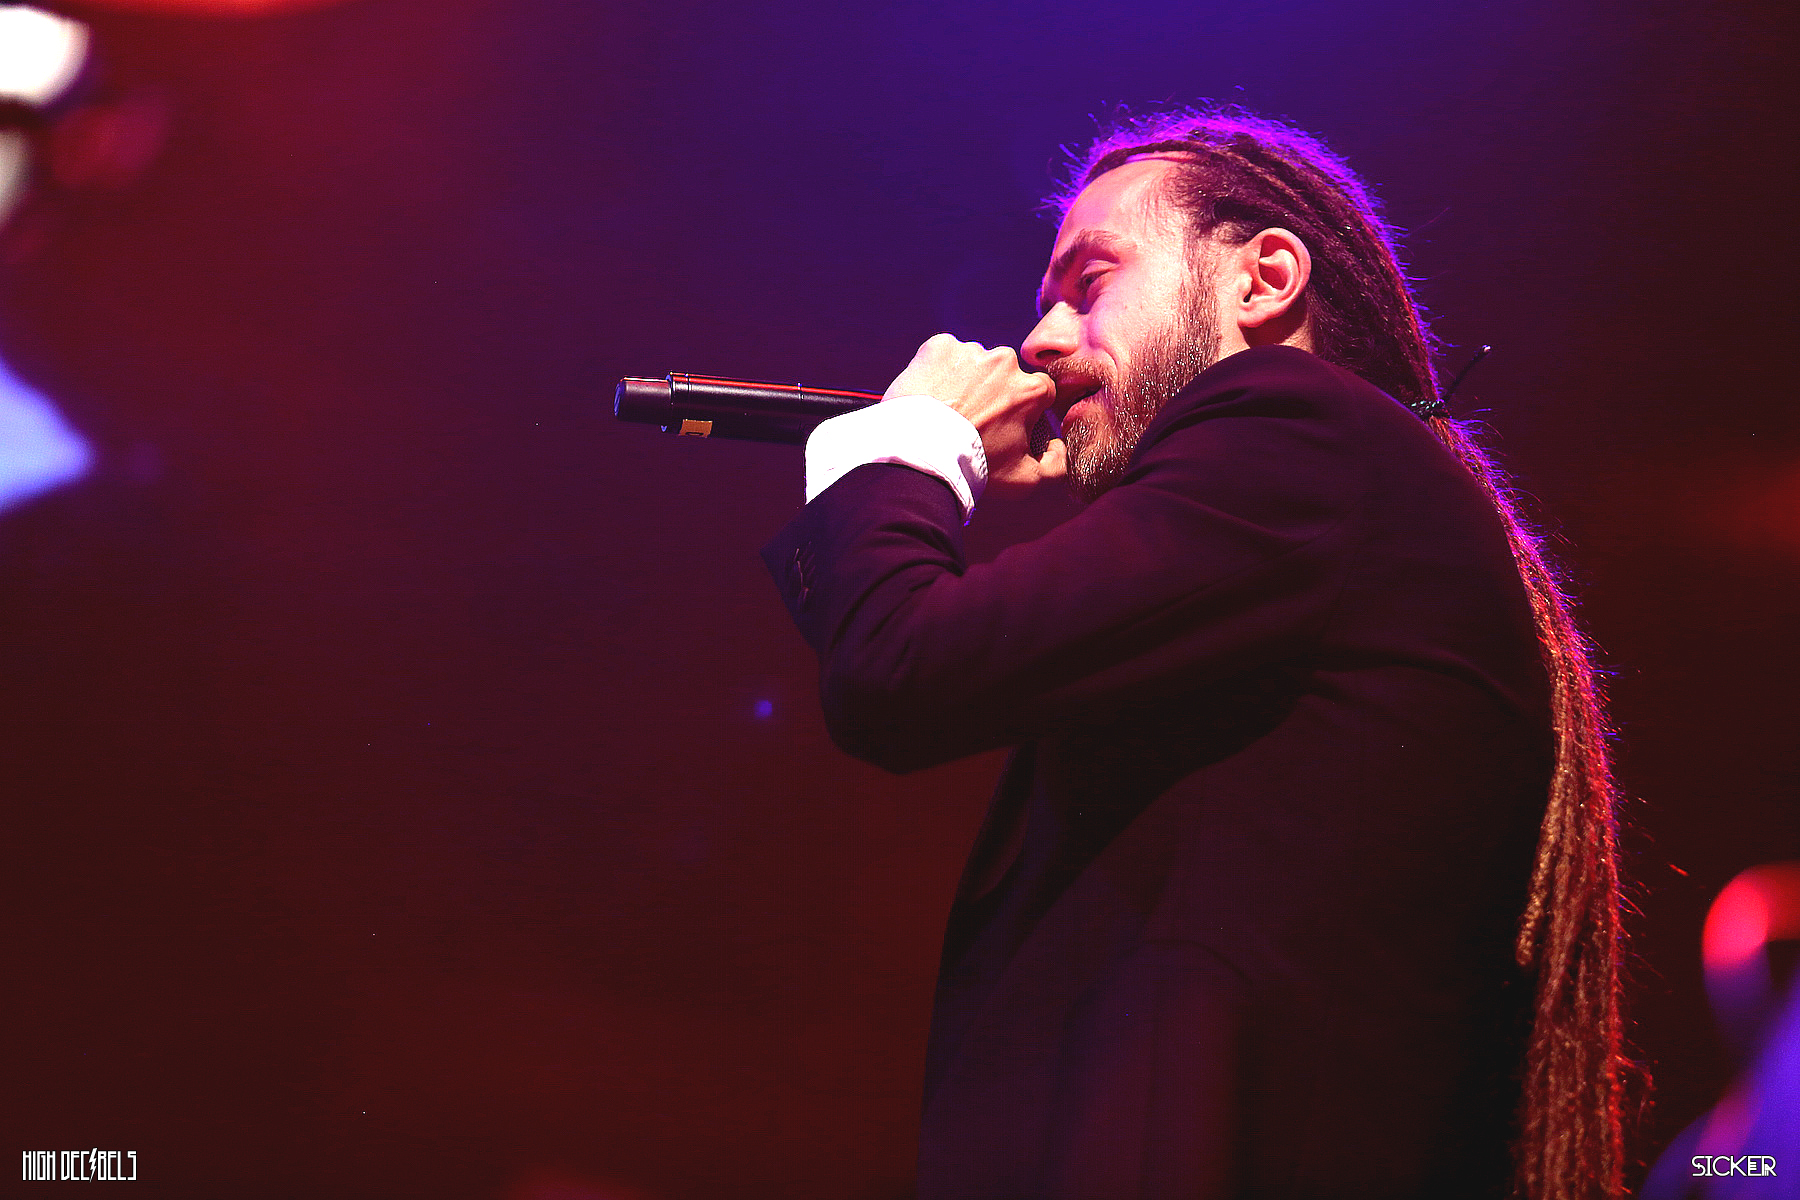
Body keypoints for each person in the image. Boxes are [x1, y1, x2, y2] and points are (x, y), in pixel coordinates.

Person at [762, 107, 1637, 1200]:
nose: (1037, 344)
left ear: (1264, 279)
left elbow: (899, 667)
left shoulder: (1297, 422)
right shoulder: (1335, 489)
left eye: (1090, 283)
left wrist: (908, 453)